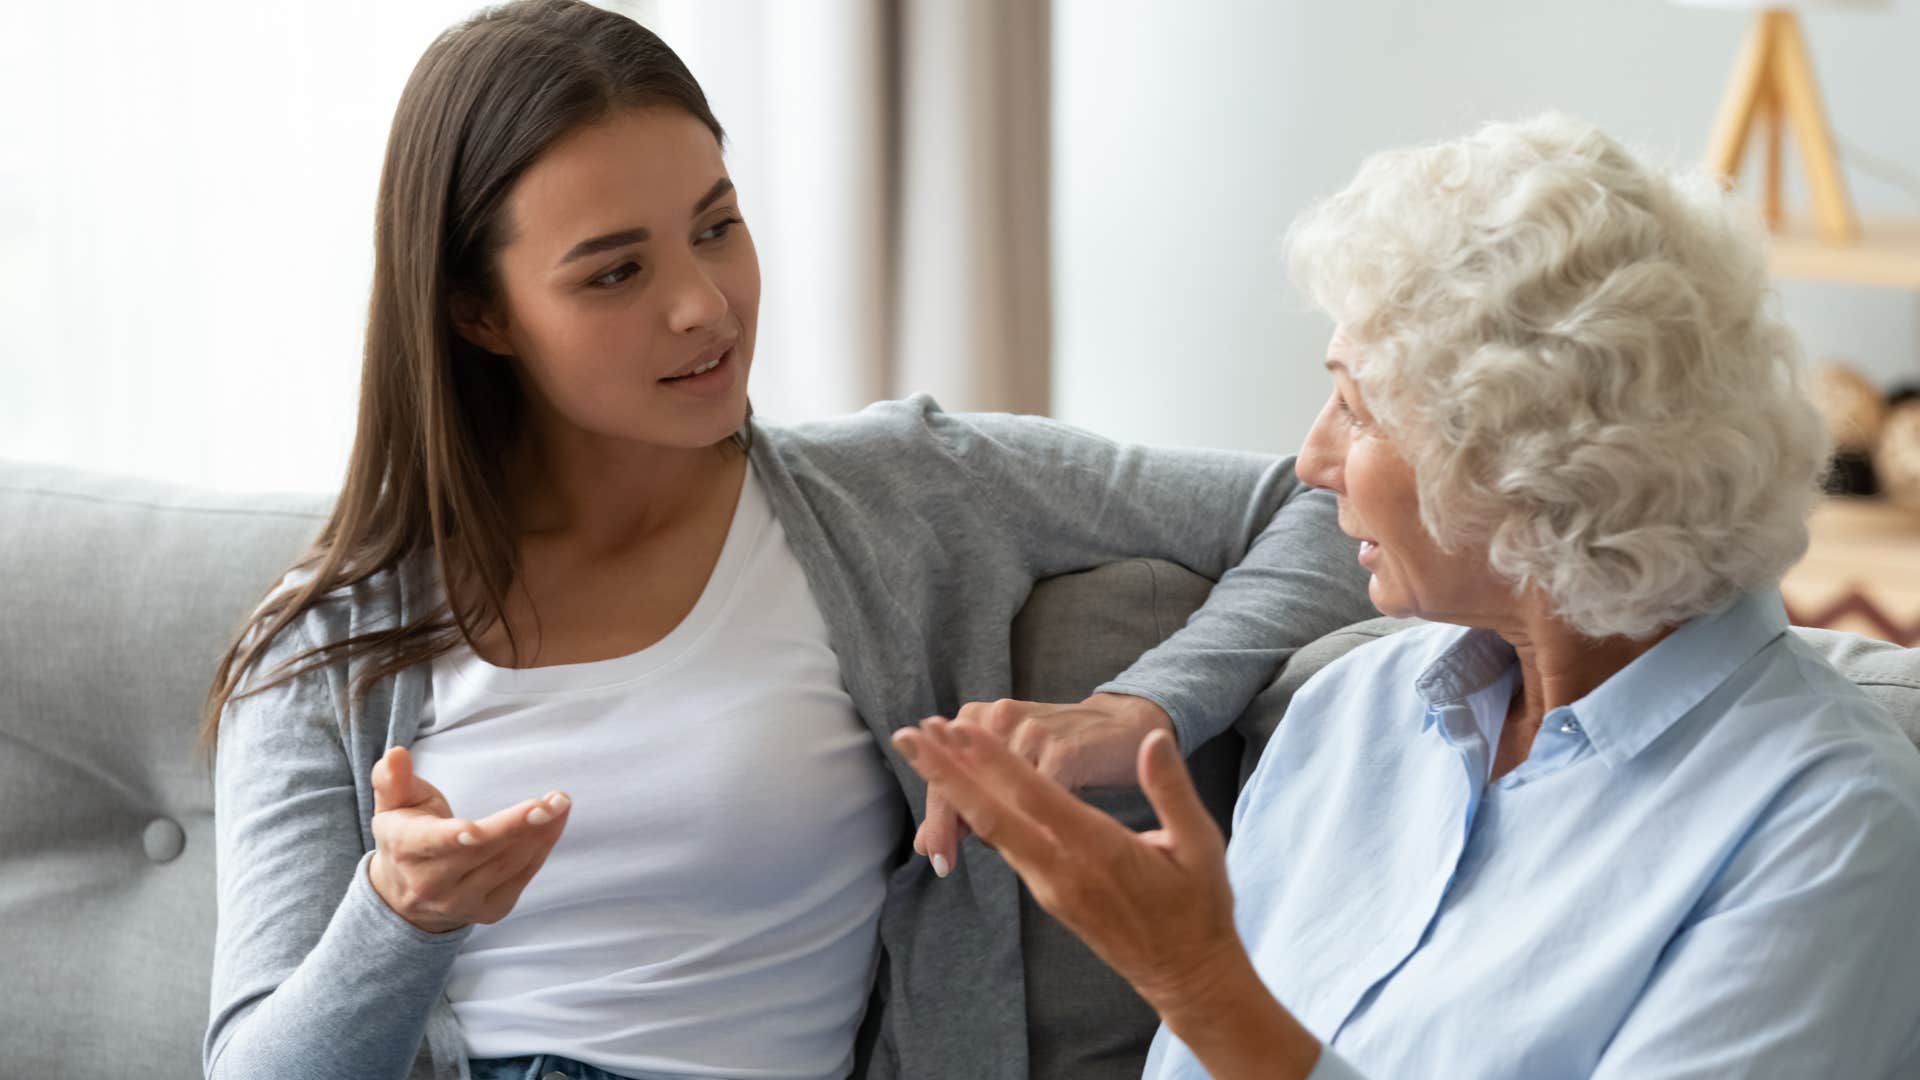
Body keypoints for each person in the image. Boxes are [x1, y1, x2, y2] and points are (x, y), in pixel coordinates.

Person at [199, 3, 1375, 1079]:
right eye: (616, 271)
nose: (703, 304)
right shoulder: (325, 643)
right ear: (479, 313)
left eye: (717, 227)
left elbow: (1329, 500)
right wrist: (400, 916)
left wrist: (1146, 707)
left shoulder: (905, 488)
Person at [891, 113, 1920, 1079]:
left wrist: (1198, 982)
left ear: (1532, 459)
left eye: (1357, 406)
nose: (1313, 459)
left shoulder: (1827, 823)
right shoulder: (1352, 713)